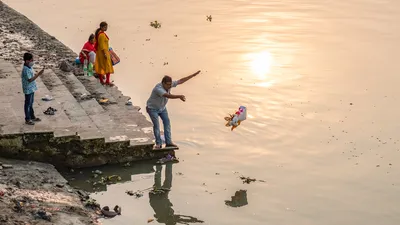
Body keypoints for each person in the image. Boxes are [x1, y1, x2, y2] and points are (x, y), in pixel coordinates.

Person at [146, 70, 201, 149]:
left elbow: (180, 81)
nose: (169, 86)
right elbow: (167, 96)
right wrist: (179, 96)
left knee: (167, 123)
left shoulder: (169, 85)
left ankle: (169, 142)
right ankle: (158, 143)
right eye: (168, 85)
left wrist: (192, 75)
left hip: (162, 108)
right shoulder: (158, 88)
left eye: (170, 84)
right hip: (152, 109)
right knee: (157, 126)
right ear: (163, 83)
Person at [21, 53, 45, 125]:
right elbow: (30, 79)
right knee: (27, 103)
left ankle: (32, 116)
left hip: (31, 88)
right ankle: (27, 119)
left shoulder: (29, 67)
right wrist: (38, 74)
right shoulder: (25, 69)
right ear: (27, 61)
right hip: (28, 89)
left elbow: (32, 75)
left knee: (31, 103)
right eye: (31, 60)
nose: (32, 61)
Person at [94, 21, 114, 86]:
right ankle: (107, 81)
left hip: (99, 52)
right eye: (105, 27)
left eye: (106, 27)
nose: (106, 28)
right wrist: (105, 53)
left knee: (100, 66)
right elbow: (102, 45)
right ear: (102, 27)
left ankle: (102, 81)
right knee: (108, 66)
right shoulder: (102, 35)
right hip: (103, 52)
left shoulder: (99, 33)